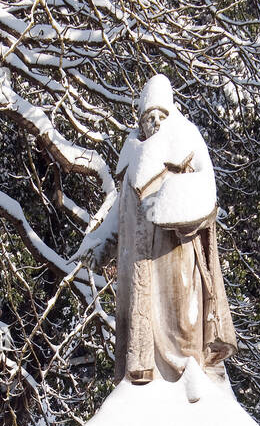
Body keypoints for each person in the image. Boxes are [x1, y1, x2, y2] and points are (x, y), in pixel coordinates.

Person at [85, 75, 237, 387]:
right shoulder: (132, 157)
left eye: (160, 116)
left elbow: (207, 191)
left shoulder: (186, 140)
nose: (154, 123)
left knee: (180, 324)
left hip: (175, 256)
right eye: (148, 117)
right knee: (139, 328)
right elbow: (120, 212)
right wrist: (100, 244)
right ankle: (144, 377)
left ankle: (187, 378)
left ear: (170, 115)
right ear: (139, 120)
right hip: (138, 262)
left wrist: (171, 203)